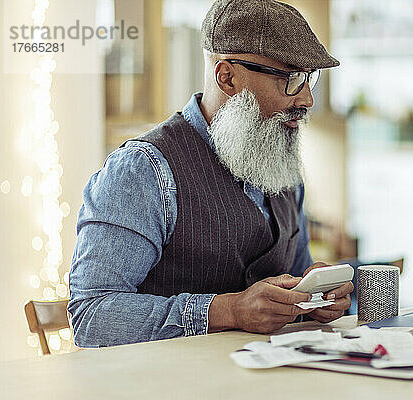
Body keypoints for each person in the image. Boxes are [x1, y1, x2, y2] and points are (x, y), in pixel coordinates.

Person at [68, 0, 353, 347]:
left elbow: (294, 281)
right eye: (291, 79)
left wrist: (314, 300)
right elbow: (92, 316)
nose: (306, 98)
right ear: (227, 77)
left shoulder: (282, 166)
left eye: (308, 78)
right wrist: (227, 310)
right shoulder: (143, 171)